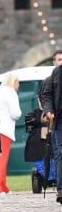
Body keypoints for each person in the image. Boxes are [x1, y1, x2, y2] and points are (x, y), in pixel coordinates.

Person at [0, 72, 22, 196]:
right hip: (4, 130)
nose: (18, 85)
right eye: (18, 82)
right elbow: (16, 113)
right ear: (13, 82)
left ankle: (2, 186)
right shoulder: (11, 92)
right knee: (2, 159)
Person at [42, 57, 62, 203]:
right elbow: (47, 94)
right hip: (60, 120)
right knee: (60, 153)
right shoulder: (56, 72)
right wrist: (48, 109)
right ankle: (61, 190)